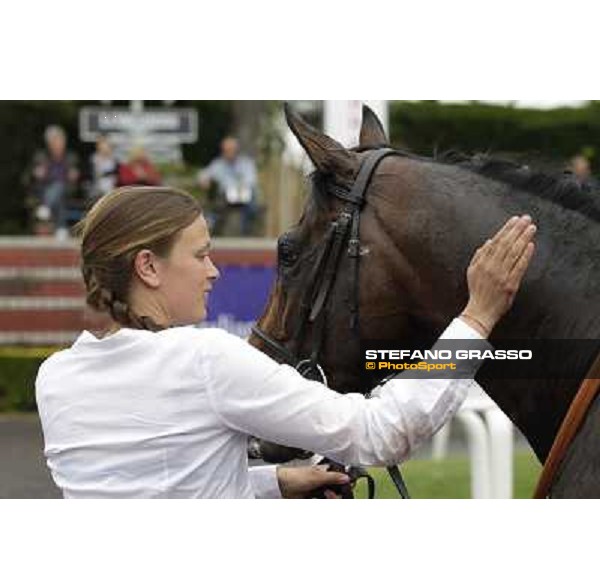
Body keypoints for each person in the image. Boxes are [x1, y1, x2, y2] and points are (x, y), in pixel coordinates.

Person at [35, 186, 536, 499]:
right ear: (148, 266)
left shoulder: (54, 376)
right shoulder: (205, 359)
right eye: (201, 254)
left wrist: (275, 482)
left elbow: (149, 490)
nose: (213, 271)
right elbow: (378, 432)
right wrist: (477, 315)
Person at [198, 136, 259, 236]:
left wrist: (239, 187)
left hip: (244, 195)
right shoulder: (218, 164)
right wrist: (204, 180)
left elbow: (251, 181)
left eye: (231, 150)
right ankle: (209, 233)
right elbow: (204, 174)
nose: (229, 152)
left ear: (237, 150)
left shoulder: (246, 163)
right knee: (214, 208)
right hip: (225, 197)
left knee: (252, 207)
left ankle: (247, 236)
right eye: (226, 150)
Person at [28, 125, 80, 239]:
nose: (58, 144)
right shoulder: (41, 156)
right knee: (58, 195)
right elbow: (33, 175)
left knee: (59, 186)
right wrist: (37, 173)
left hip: (66, 188)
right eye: (55, 141)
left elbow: (76, 174)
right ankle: (61, 228)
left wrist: (74, 175)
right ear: (49, 143)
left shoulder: (71, 157)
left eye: (60, 141)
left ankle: (46, 207)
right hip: (44, 190)